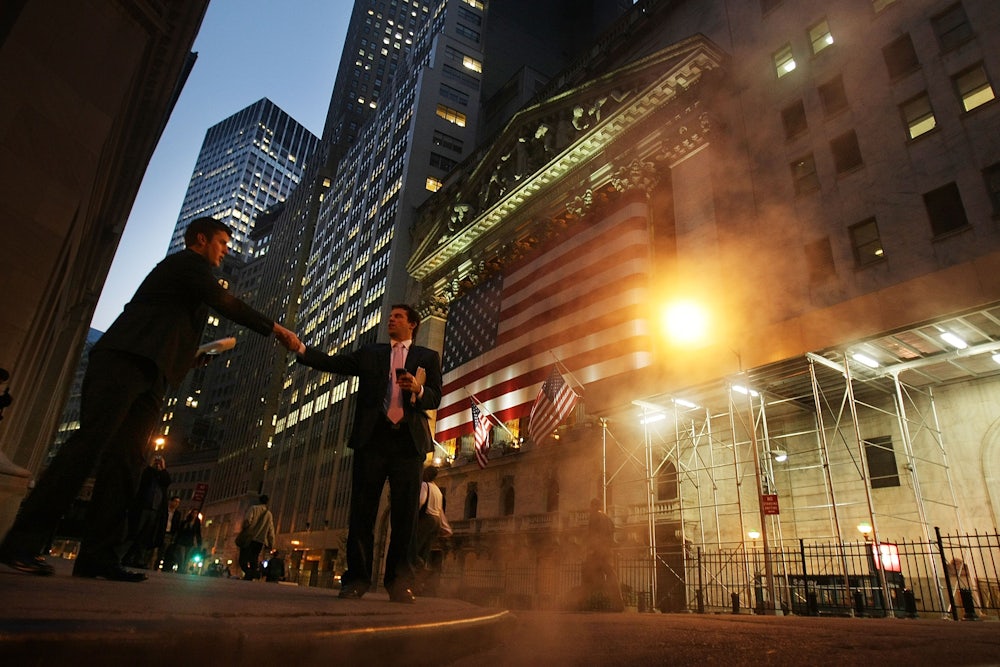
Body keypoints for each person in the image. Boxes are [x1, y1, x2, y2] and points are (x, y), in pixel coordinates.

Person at [0, 216, 300, 580]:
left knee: (127, 463)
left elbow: (169, 326)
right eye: (222, 243)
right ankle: (21, 543)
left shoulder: (191, 279)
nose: (225, 251)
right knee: (88, 447)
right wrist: (276, 329)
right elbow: (225, 303)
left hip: (153, 371)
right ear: (200, 240)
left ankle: (99, 556)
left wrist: (190, 356)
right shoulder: (186, 264)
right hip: (124, 360)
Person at [285, 304, 442, 603]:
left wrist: (419, 390)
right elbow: (335, 363)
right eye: (390, 316)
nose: (391, 320)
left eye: (397, 316)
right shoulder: (371, 353)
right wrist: (301, 348)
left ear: (413, 324)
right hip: (372, 440)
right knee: (362, 511)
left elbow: (435, 396)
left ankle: (399, 583)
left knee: (406, 517)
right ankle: (356, 580)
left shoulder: (427, 357)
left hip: (408, 444)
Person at [122, 454, 171, 569]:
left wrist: (162, 469)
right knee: (135, 532)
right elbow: (144, 480)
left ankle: (138, 559)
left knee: (146, 535)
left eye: (160, 462)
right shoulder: (148, 473)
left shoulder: (163, 477)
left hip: (155, 509)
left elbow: (167, 481)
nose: (157, 464)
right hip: (144, 507)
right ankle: (127, 557)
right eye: (156, 462)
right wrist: (152, 467)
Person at [414, 465, 452, 594]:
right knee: (424, 553)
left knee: (414, 550)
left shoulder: (425, 486)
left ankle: (421, 572)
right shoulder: (438, 490)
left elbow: (420, 501)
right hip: (435, 523)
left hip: (426, 520)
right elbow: (440, 511)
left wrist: (412, 517)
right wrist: (446, 527)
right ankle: (418, 585)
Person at [583, 497, 624, 611]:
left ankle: (590, 602)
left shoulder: (594, 516)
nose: (590, 508)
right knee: (611, 574)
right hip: (607, 550)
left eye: (591, 506)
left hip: (597, 551)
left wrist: (591, 548)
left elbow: (593, 534)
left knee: (589, 573)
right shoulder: (608, 518)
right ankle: (618, 603)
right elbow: (612, 531)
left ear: (595, 506)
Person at [238, 494, 275, 580]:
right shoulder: (269, 514)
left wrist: (245, 529)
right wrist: (271, 543)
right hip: (260, 540)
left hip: (249, 538)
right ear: (267, 502)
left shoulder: (253, 508)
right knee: (254, 558)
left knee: (243, 558)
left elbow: (247, 520)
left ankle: (248, 573)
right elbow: (271, 529)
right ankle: (251, 574)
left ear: (259, 501)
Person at [172, 508, 202, 574]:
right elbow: (180, 531)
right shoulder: (185, 522)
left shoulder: (197, 524)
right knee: (181, 556)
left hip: (190, 541)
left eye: (196, 513)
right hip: (183, 540)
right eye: (193, 513)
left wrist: (199, 543)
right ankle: (181, 568)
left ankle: (184, 568)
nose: (194, 515)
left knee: (187, 556)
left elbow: (198, 533)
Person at [159, 496, 182, 571]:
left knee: (165, 551)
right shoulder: (164, 510)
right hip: (161, 531)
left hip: (169, 534)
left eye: (178, 502)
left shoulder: (177, 514)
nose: (176, 504)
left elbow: (176, 525)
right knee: (158, 550)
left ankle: (164, 567)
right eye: (175, 501)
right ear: (171, 501)